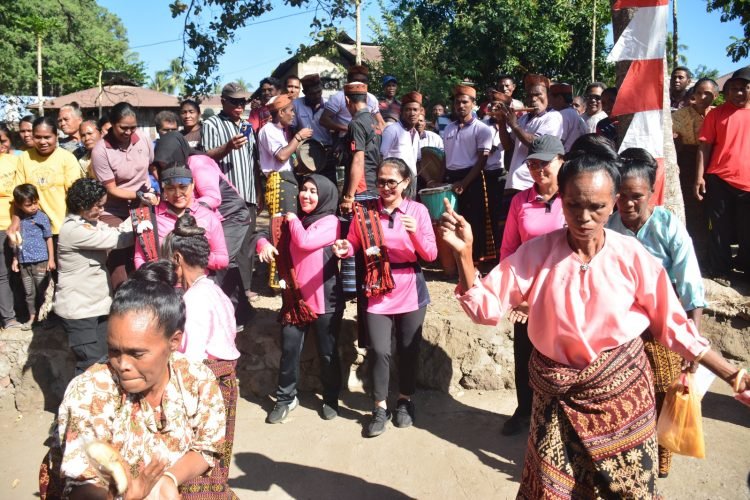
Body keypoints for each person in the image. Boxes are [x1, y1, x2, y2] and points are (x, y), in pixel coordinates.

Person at [441, 150, 750, 497]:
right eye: (573, 205)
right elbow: (485, 309)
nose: (584, 217)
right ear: (561, 199)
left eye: (597, 207)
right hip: (555, 399)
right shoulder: (535, 254)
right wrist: (465, 256)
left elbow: (674, 325)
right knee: (551, 490)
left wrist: (733, 375)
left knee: (628, 491)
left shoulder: (632, 256)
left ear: (613, 203)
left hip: (623, 396)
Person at [48, 261, 228, 499]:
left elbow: (207, 447)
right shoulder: (91, 391)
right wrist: (124, 496)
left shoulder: (196, 379)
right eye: (114, 350)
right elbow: (83, 483)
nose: (122, 365)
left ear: (174, 342)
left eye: (137, 354)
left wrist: (169, 478)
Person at [607, 147, 707, 477]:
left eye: (637, 196)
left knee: (663, 393)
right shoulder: (607, 226)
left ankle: (660, 456)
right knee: (622, 395)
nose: (628, 204)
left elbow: (690, 285)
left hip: (662, 328)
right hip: (618, 329)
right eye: (621, 196)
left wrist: (692, 340)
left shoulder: (668, 227)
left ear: (653, 191)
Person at [333, 158, 437, 437]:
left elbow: (430, 255)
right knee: (379, 350)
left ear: (405, 183)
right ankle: (380, 407)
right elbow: (354, 242)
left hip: (410, 287)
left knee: (408, 349)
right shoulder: (365, 211)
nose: (385, 186)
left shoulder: (418, 211)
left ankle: (405, 400)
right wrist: (344, 247)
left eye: (392, 181)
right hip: (377, 287)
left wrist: (414, 234)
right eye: (381, 181)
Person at [257, 174, 344, 423]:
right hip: (294, 300)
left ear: (325, 195)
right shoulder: (295, 220)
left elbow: (305, 242)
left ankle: (330, 398)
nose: (306, 195)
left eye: (313, 191)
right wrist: (262, 243)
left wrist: (293, 218)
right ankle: (286, 399)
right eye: (304, 189)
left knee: (328, 353)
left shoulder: (330, 221)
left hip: (324, 300)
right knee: (289, 349)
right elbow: (266, 232)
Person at [497, 136, 566, 436]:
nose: (538, 170)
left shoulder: (574, 198)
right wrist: (514, 294)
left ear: (562, 160)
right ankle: (524, 411)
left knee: (560, 358)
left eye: (545, 163)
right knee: (525, 354)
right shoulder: (520, 201)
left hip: (565, 293)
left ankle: (557, 418)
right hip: (527, 294)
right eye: (532, 164)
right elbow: (509, 249)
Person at [154, 132, 253, 311]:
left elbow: (213, 197)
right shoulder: (177, 169)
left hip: (230, 216)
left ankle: (228, 310)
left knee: (217, 260)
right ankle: (241, 310)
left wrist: (190, 211)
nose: (166, 166)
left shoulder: (198, 163)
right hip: (206, 217)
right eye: (162, 164)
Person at [54, 178, 133, 374]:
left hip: (97, 306)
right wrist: (141, 219)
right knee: (90, 365)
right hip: (80, 311)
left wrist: (137, 214)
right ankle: (78, 404)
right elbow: (119, 239)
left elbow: (119, 230)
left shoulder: (89, 223)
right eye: (98, 206)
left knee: (104, 359)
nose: (101, 210)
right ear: (82, 204)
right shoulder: (74, 229)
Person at [91, 102, 156, 288]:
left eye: (132, 127)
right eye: (123, 128)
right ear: (112, 124)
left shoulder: (143, 139)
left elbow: (151, 166)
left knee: (145, 252)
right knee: (118, 255)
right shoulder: (101, 151)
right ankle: (121, 300)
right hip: (114, 209)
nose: (129, 132)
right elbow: (111, 189)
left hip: (142, 204)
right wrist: (137, 195)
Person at [695, 66, 750, 285]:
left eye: (744, 88)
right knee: (719, 228)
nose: (738, 93)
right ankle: (720, 269)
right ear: (726, 92)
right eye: (734, 89)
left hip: (747, 185)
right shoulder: (716, 114)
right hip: (719, 179)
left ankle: (746, 269)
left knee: (747, 231)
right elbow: (704, 147)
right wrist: (699, 177)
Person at [135, 164, 228, 271]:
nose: (177, 193)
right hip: (162, 284)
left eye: (183, 186)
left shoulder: (208, 216)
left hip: (198, 285)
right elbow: (140, 257)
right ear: (163, 189)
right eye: (170, 188)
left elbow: (223, 259)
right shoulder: (149, 216)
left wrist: (196, 255)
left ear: (193, 185)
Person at [442, 84, 494, 262]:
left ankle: (474, 260)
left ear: (474, 104)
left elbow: (482, 161)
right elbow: (445, 157)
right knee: (452, 219)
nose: (460, 106)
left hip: (471, 178)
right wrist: (442, 180)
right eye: (457, 102)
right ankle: (457, 259)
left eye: (465, 102)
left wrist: (464, 183)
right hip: (451, 177)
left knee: (473, 220)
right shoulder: (448, 128)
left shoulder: (482, 129)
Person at [672, 78, 718, 262]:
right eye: (699, 92)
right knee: (693, 210)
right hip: (689, 161)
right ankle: (696, 255)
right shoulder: (681, 115)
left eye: (707, 93)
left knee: (714, 210)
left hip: (715, 161)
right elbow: (669, 136)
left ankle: (714, 255)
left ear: (715, 96)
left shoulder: (717, 114)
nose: (702, 97)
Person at [18, 116, 82, 235]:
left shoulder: (67, 158)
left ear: (56, 136)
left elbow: (74, 194)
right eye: (38, 137)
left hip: (63, 228)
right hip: (34, 230)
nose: (42, 142)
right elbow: (19, 194)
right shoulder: (24, 158)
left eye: (47, 137)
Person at [10, 184, 54, 329]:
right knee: (29, 292)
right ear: (19, 205)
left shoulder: (42, 217)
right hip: (24, 261)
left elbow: (49, 238)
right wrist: (16, 258)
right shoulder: (18, 221)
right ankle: (32, 318)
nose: (33, 207)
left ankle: (45, 318)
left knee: (42, 291)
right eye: (29, 205)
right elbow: (17, 240)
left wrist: (51, 259)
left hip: (41, 260)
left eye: (35, 202)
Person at [320, 65, 385, 140]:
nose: (359, 84)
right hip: (345, 139)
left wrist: (377, 135)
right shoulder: (338, 97)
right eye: (356, 80)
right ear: (348, 81)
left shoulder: (372, 99)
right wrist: (349, 129)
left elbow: (381, 123)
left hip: (367, 140)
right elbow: (324, 120)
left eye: (363, 81)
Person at [380, 91, 422, 196]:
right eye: (408, 110)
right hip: (395, 184)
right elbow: (381, 157)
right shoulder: (392, 130)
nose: (412, 113)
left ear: (420, 112)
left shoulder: (415, 133)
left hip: (411, 183)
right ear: (401, 112)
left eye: (415, 110)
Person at [0, 146, 21, 329]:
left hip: (10, 226)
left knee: (13, 272)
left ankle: (15, 316)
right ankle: (8, 318)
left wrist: (16, 221)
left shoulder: (14, 161)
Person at [548, 83, 587, 152]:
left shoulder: (561, 115)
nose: (549, 101)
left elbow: (556, 142)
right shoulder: (576, 114)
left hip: (564, 157)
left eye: (550, 97)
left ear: (559, 98)